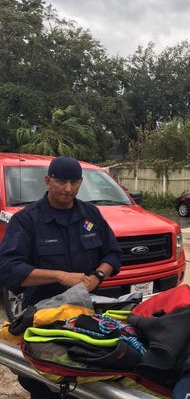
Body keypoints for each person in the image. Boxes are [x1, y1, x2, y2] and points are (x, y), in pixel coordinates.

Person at [0, 155, 122, 399]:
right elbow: (8, 268)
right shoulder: (27, 221)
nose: (68, 189)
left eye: (74, 183)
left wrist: (98, 275)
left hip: (87, 316)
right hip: (43, 319)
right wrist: (60, 276)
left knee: (89, 380)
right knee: (43, 383)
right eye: (61, 182)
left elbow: (113, 253)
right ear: (48, 180)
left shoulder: (91, 215)